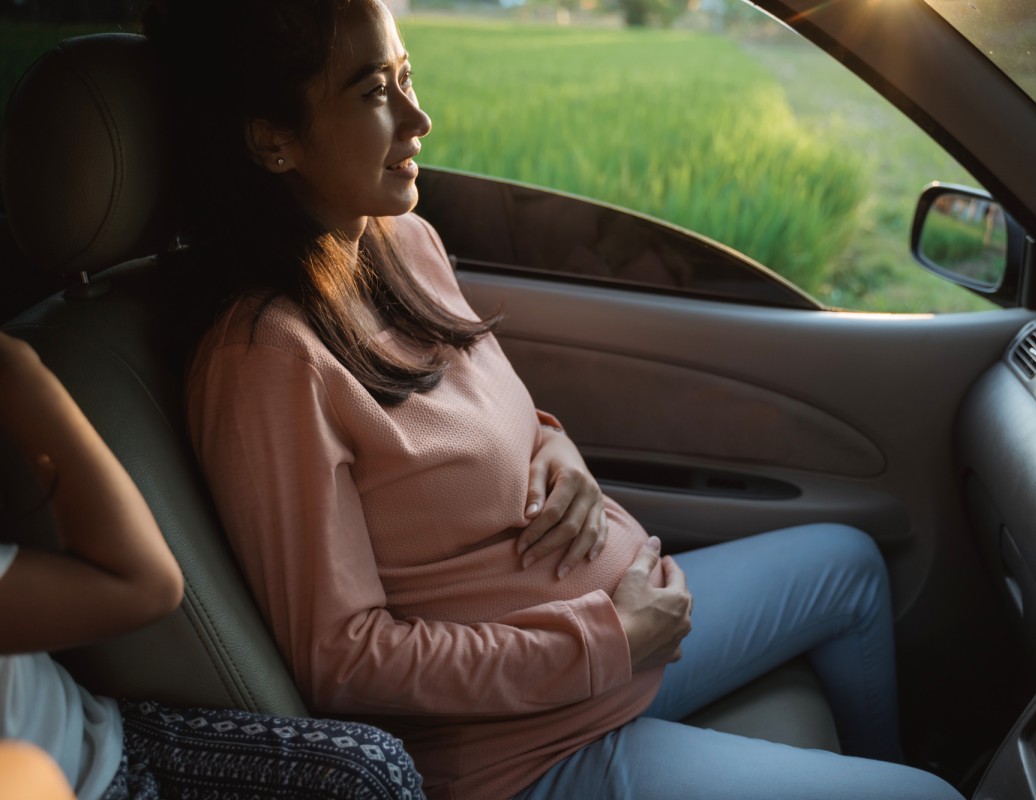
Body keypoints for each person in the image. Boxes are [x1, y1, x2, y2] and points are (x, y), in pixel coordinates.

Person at [152, 1, 966, 798]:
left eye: (407, 76)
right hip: (524, 749)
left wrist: (557, 447)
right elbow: (343, 660)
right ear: (273, 140)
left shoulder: (403, 242)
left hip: (626, 635)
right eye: (373, 91)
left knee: (852, 565)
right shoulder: (265, 358)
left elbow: (491, 411)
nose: (418, 117)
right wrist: (610, 639)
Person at [0, 331, 426, 799]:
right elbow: (144, 586)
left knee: (367, 772)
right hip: (63, 784)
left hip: (103, 740)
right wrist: (19, 372)